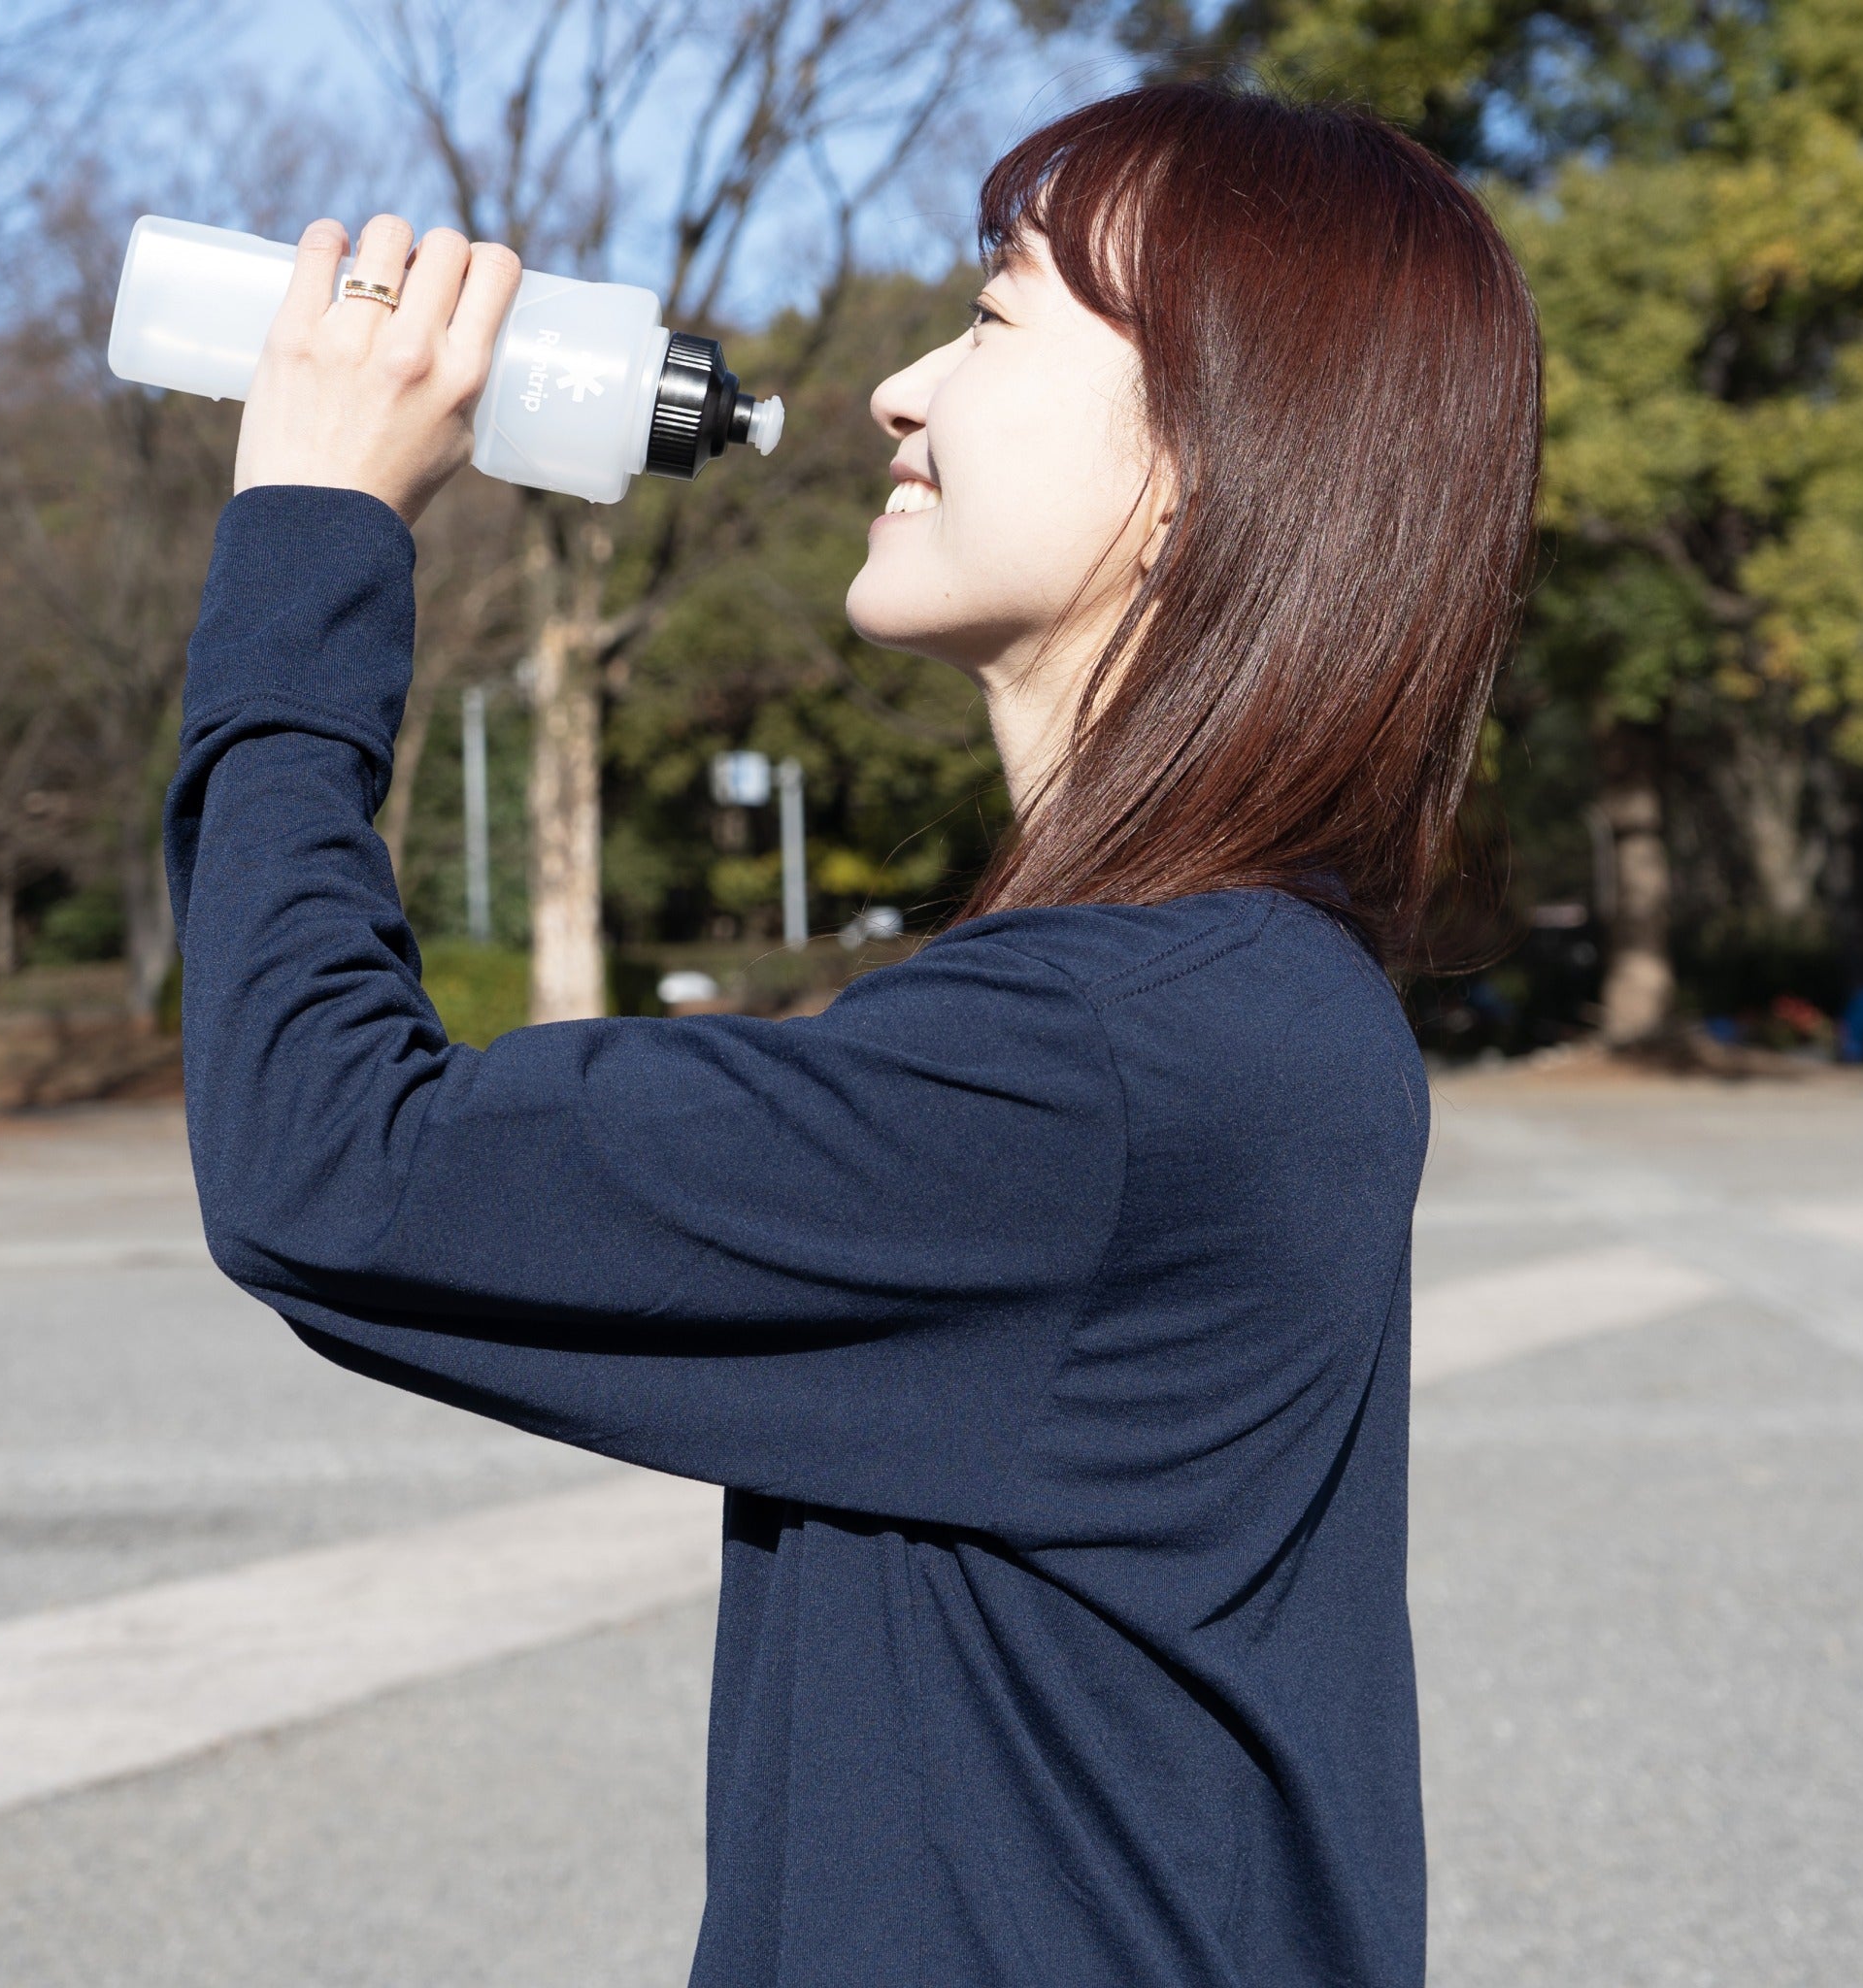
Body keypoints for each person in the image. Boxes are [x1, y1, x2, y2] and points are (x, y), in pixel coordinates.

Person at [169, 80, 1541, 1988]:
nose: (899, 389)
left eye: (990, 322)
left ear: (1211, 465)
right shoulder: (1220, 997)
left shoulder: (1113, 1060)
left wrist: (311, 523)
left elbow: (336, 1165)